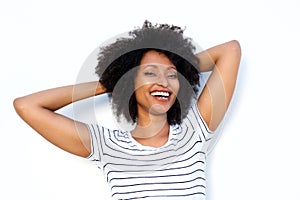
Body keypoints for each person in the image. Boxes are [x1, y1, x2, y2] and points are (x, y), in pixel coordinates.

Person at [13, 20, 241, 200]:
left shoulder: (194, 133)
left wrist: (182, 67)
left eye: (172, 75)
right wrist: (114, 79)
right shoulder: (108, 146)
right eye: (150, 73)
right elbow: (26, 106)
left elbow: (231, 50)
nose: (163, 82)